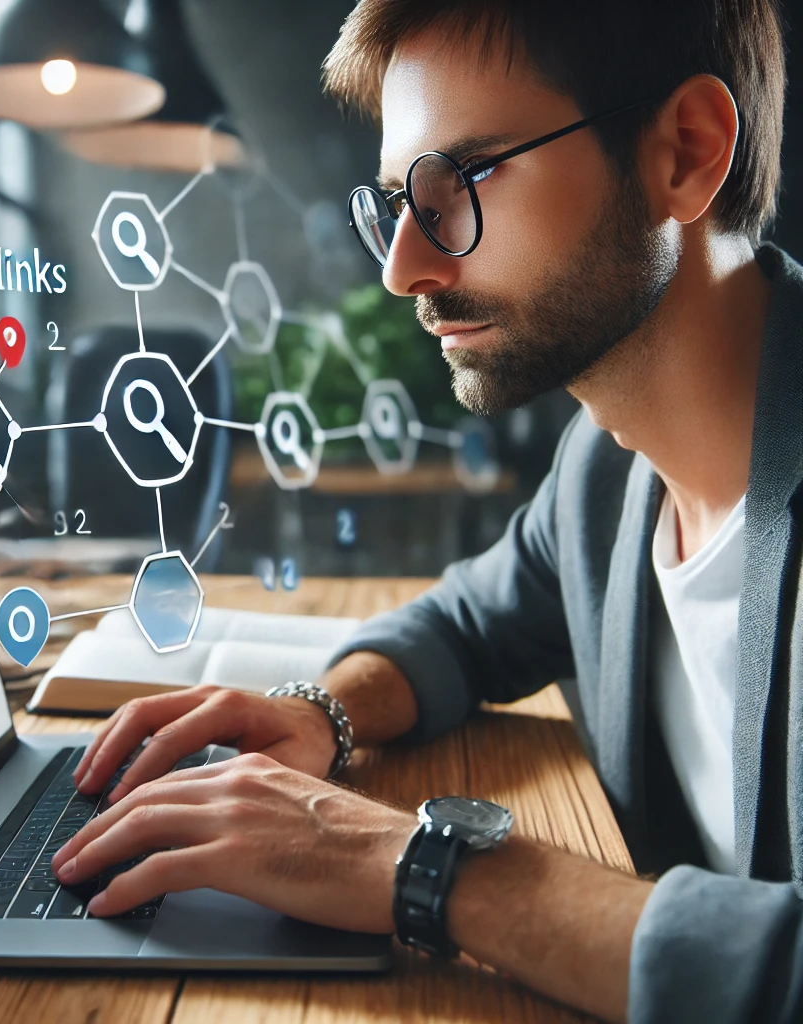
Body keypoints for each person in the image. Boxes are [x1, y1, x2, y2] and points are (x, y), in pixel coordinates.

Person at [51, 1, 803, 1020]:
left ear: (684, 151)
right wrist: (317, 711)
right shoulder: (609, 475)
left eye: (467, 179)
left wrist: (438, 870)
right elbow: (465, 623)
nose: (404, 265)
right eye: (399, 201)